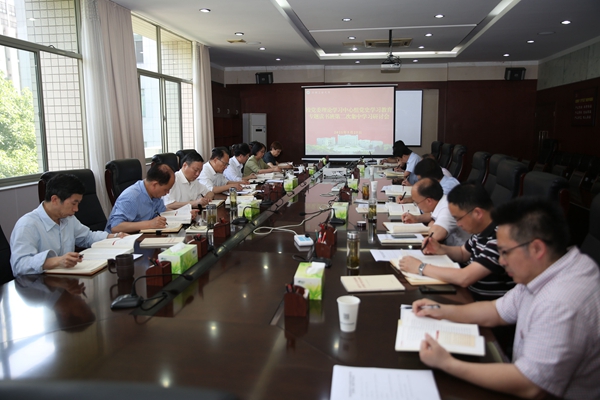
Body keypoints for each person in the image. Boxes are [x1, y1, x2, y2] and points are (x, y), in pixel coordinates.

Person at [413, 197, 600, 399]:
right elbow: (496, 311)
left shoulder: (561, 301)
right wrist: (441, 310)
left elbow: (531, 386)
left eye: (505, 252)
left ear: (537, 248)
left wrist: (447, 363)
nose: (501, 261)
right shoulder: (549, 268)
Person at [399, 183, 514, 299]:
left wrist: (420, 267)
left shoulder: (500, 238)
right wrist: (440, 248)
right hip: (468, 294)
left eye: (459, 218)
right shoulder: (482, 230)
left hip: (483, 302)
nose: (458, 224)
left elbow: (464, 278)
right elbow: (463, 253)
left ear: (477, 213)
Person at [10, 174, 125, 276]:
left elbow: (87, 237)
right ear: (55, 199)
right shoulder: (27, 225)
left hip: (66, 279)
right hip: (38, 286)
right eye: (73, 203)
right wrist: (56, 261)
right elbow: (19, 265)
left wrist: (115, 236)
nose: (76, 209)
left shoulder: (68, 218)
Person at [106, 163, 175, 233]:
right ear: (154, 185)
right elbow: (115, 227)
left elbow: (163, 211)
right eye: (166, 189)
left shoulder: (155, 195)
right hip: (121, 238)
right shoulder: (131, 197)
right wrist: (150, 224)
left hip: (143, 234)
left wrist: (179, 215)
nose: (168, 192)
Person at [401, 178, 470, 246]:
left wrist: (432, 224)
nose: (417, 206)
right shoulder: (441, 200)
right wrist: (416, 218)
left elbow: (435, 235)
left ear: (429, 201)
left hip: (459, 250)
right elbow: (431, 215)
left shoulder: (447, 208)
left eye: (417, 203)